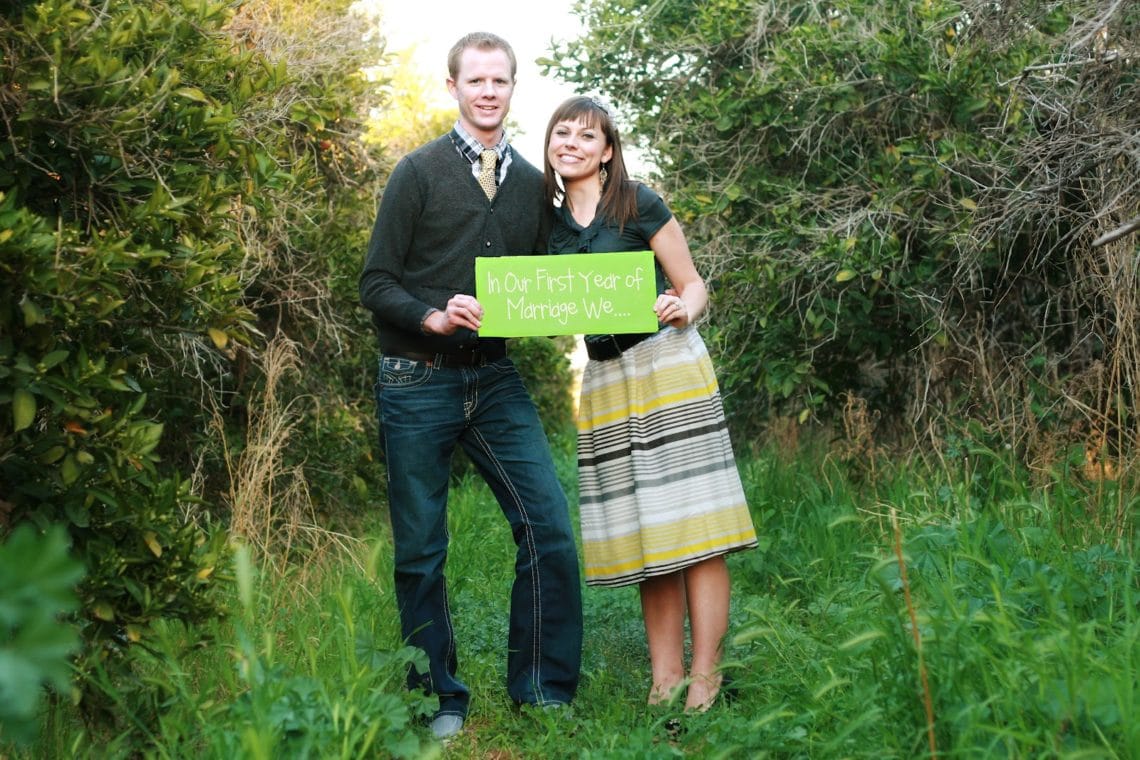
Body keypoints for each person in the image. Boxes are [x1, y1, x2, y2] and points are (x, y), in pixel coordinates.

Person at [359, 32, 582, 741]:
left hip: (494, 381)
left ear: (514, 90)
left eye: (501, 81)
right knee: (421, 551)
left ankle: (542, 691)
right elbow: (375, 282)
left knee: (548, 530)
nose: (489, 92)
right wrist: (431, 315)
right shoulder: (417, 173)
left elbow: (558, 280)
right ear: (453, 87)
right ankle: (438, 700)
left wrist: (644, 290)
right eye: (476, 80)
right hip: (414, 378)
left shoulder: (529, 184)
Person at [542, 96, 758, 713]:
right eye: (562, 133)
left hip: (667, 365)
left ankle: (707, 676)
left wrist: (682, 307)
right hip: (607, 380)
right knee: (649, 531)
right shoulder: (550, 226)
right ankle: (665, 677)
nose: (573, 144)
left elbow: (693, 285)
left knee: (695, 524)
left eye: (587, 136)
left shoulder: (639, 202)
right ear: (551, 145)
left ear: (607, 150)